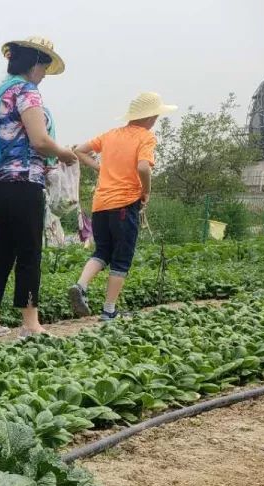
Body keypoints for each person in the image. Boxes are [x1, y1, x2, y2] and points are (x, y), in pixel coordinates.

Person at [0, 37, 77, 340]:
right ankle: (30, 323)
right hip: (24, 182)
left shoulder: (1, 92)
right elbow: (39, 140)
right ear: (35, 64)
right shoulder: (27, 92)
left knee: (2, 253)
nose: (45, 73)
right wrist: (64, 154)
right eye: (44, 67)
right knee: (30, 252)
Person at [68, 92, 177, 321]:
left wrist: (100, 168)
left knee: (102, 251)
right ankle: (109, 311)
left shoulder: (111, 135)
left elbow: (78, 150)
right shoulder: (145, 137)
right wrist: (146, 191)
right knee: (121, 258)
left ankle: (81, 285)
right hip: (125, 204)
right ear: (151, 117)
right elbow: (144, 168)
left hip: (101, 204)